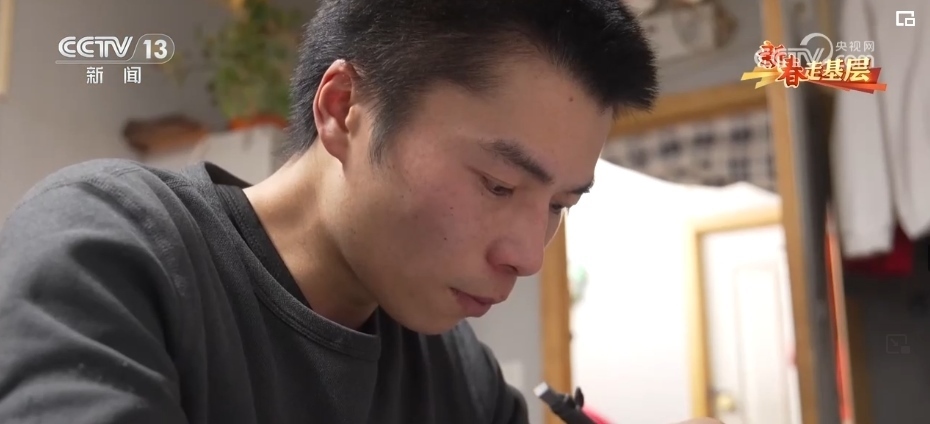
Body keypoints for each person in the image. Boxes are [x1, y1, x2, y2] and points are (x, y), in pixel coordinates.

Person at [0, 1, 719, 423]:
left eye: (560, 205)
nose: (529, 256)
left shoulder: (454, 374)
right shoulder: (110, 249)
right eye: (499, 185)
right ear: (344, 108)